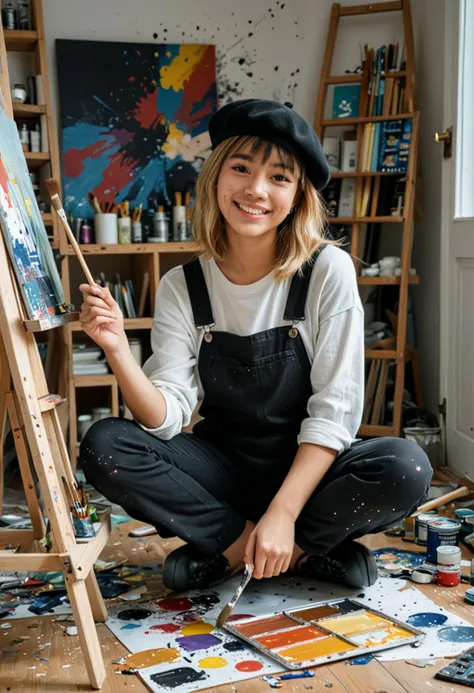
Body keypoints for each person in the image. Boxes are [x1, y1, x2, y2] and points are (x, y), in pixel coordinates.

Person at [79, 99, 432, 593]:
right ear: (216, 177)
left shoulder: (326, 271)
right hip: (224, 472)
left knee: (406, 467)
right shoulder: (184, 285)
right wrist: (116, 348)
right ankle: (257, 548)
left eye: (279, 177)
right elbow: (166, 417)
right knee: (106, 445)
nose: (256, 190)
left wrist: (285, 513)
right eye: (241, 168)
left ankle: (268, 547)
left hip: (309, 474)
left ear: (297, 196)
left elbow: (335, 415)